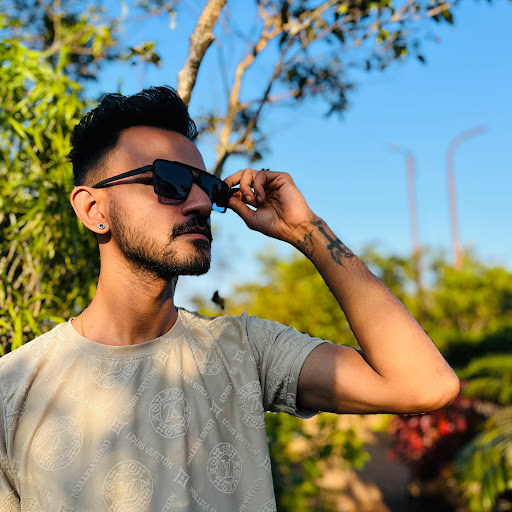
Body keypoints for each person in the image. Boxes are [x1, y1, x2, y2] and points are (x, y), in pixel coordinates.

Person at [0, 86, 459, 511]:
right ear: (92, 209)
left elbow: (425, 384)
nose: (201, 203)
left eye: (208, 187)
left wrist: (306, 231)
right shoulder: (13, 388)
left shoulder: (244, 351)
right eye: (170, 181)